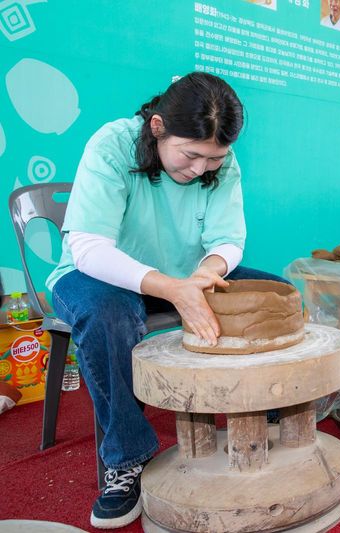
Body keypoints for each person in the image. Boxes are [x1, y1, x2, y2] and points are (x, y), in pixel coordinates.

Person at [45, 73, 287, 529]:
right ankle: (127, 459)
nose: (201, 169)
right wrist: (174, 289)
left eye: (214, 159)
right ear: (157, 127)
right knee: (108, 315)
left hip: (184, 278)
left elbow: (228, 240)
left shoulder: (220, 161)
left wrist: (206, 273)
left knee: (277, 294)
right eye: (191, 155)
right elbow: (90, 248)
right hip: (99, 277)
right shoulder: (113, 144)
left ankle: (272, 417)